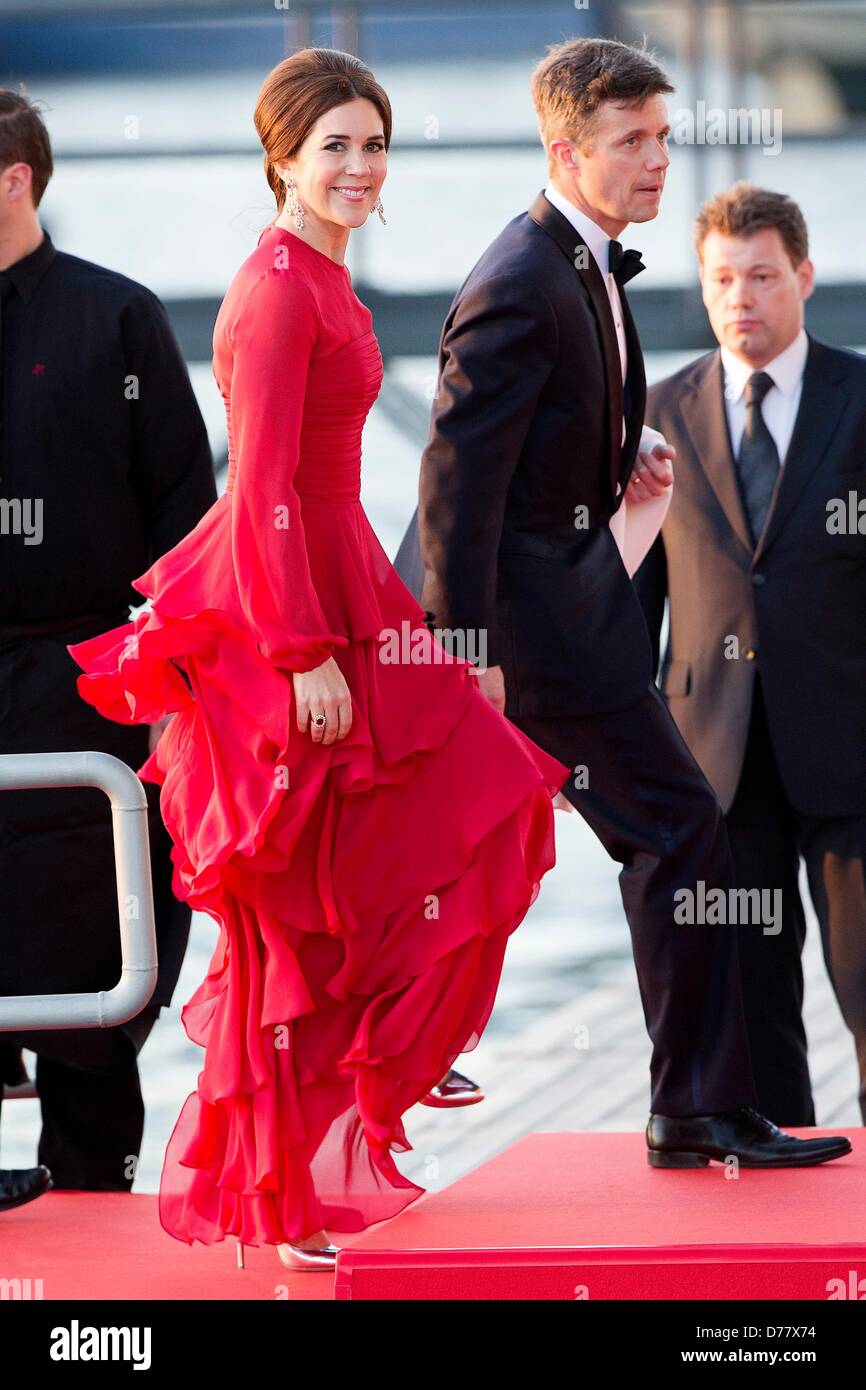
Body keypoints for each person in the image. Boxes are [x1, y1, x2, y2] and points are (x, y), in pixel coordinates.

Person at [67, 48, 571, 1273]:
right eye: (333, 145)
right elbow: (260, 491)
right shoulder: (280, 291)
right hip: (295, 598)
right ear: (280, 156)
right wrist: (301, 656)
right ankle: (279, 1191)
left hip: (349, 580)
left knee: (479, 810)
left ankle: (358, 1094)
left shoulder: (322, 277)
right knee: (295, 909)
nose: (359, 166)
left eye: (373, 143)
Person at [394, 36, 852, 1171]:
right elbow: (453, 475)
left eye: (662, 137)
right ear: (566, 148)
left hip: (573, 609)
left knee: (674, 832)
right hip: (535, 632)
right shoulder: (519, 278)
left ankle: (694, 1100)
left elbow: (538, 453)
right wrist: (464, 655)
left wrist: (616, 477)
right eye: (631, 142)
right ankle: (692, 1103)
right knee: (679, 830)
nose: (657, 161)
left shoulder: (584, 262)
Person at [0, 88, 216, 1204]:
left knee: (101, 986)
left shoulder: (118, 317)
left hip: (96, 693)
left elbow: (184, 518)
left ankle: (91, 1213)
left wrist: (182, 688)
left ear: (15, 180)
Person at [634, 182, 866, 1127]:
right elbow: (629, 593)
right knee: (754, 987)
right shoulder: (657, 410)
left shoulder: (861, 395)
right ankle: (786, 1156)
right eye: (723, 278)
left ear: (804, 278)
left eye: (763, 276)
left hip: (851, 745)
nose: (742, 298)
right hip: (716, 753)